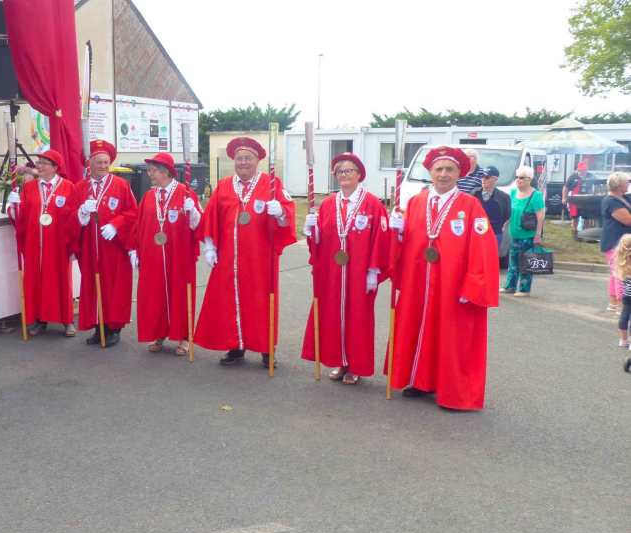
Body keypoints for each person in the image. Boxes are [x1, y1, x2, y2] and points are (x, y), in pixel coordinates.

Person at [386, 146, 499, 411]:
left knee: (451, 336)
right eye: (439, 169)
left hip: (452, 285)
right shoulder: (416, 202)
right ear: (430, 172)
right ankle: (419, 380)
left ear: (459, 173)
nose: (444, 174)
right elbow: (406, 244)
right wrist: (397, 233)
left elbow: (483, 249)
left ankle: (451, 391)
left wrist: (473, 284)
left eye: (450, 169)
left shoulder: (471, 206)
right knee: (419, 329)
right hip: (419, 283)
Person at [193, 136, 296, 367]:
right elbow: (211, 217)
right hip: (230, 257)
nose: (243, 163)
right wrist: (209, 246)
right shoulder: (224, 185)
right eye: (239, 158)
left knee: (261, 302)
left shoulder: (272, 185)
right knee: (230, 300)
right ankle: (235, 346)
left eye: (248, 158)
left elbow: (286, 219)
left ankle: (267, 349)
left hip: (261, 257)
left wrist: (280, 213)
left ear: (257, 160)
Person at [300, 153, 390, 384]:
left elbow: (381, 239)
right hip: (333, 271)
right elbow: (322, 239)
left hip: (359, 272)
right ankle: (340, 362)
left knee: (357, 317)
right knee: (333, 315)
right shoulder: (329, 203)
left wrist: (373, 271)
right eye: (340, 171)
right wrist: (312, 231)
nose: (344, 175)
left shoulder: (372, 203)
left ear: (359, 175)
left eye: (349, 170)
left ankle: (355, 366)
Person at [129, 152, 202, 355]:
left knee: (179, 294)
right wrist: (135, 250)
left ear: (165, 172)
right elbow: (139, 225)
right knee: (155, 294)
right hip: (153, 255)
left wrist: (193, 212)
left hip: (178, 254)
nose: (149, 174)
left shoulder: (186, 194)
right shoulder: (149, 196)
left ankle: (185, 337)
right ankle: (159, 333)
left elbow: (199, 226)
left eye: (152, 170)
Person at [72, 140, 137, 347]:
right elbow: (69, 217)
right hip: (90, 248)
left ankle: (113, 328)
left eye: (105, 162)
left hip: (114, 248)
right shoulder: (80, 188)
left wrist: (116, 225)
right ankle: (98, 326)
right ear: (89, 163)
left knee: (114, 287)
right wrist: (82, 212)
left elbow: (132, 213)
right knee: (93, 285)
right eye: (98, 162)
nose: (102, 166)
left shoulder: (121, 185)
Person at [8, 149, 76, 337]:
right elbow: (22, 217)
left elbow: (74, 216)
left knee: (61, 281)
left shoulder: (68, 187)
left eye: (44, 163)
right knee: (36, 281)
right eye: (38, 163)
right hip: (35, 244)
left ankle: (67, 320)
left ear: (55, 167)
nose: (39, 166)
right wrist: (14, 206)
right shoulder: (29, 188)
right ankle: (39, 319)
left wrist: (72, 241)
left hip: (58, 244)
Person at [502, 166, 545, 298]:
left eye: (521, 178)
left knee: (526, 263)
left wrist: (538, 234)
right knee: (512, 262)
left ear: (529, 179)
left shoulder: (536, 195)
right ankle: (510, 286)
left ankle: (524, 289)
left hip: (528, 235)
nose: (518, 180)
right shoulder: (513, 193)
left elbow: (540, 216)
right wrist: (505, 223)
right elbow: (511, 211)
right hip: (514, 233)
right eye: (517, 177)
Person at [599, 171, 631, 313]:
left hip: (621, 242)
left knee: (615, 273)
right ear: (619, 185)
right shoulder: (611, 201)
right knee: (621, 273)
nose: (628, 184)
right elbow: (628, 220)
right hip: (615, 242)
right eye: (627, 182)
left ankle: (613, 303)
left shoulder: (622, 198)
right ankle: (621, 304)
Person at [473, 165, 511, 249]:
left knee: (493, 260)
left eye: (486, 177)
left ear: (495, 179)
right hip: (476, 235)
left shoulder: (504, 197)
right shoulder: (473, 194)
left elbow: (507, 216)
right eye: (482, 176)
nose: (483, 179)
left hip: (495, 235)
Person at [562, 162, 593, 239]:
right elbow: (565, 188)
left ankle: (586, 235)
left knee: (587, 218)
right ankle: (575, 234)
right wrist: (564, 198)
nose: (583, 172)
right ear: (578, 170)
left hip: (587, 200)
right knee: (575, 217)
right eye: (581, 170)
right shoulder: (572, 177)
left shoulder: (590, 176)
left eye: (584, 170)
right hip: (574, 200)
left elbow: (595, 185)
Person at [612, 234, 631, 349]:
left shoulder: (622, 263)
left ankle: (623, 340)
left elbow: (619, 279)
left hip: (626, 296)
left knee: (624, 317)